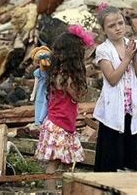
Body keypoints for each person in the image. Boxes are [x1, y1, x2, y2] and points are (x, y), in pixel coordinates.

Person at [34, 25, 94, 190]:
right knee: (55, 165)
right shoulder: (66, 78)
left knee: (66, 163)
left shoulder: (58, 72)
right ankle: (53, 192)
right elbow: (78, 96)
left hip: (61, 124)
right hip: (59, 126)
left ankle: (62, 191)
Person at [93, 4, 137, 172]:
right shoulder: (103, 50)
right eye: (111, 26)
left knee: (132, 155)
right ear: (103, 30)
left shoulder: (134, 44)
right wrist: (127, 58)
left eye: (120, 23)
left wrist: (135, 57)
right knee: (111, 156)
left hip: (131, 107)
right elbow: (112, 79)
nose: (118, 28)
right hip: (113, 108)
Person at [29, 46, 52, 126]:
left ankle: (47, 121)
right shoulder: (38, 72)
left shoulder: (51, 70)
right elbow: (36, 83)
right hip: (42, 90)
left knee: (48, 105)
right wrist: (33, 93)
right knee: (40, 104)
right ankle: (39, 121)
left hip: (50, 88)